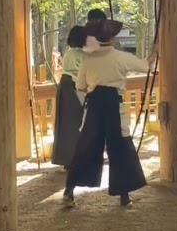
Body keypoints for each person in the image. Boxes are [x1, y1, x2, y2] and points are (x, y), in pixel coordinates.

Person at [63, 18, 152, 207]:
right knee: (120, 146)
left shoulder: (89, 59)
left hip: (94, 103)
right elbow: (146, 66)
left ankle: (69, 191)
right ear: (114, 38)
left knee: (86, 146)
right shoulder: (121, 57)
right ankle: (124, 195)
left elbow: (80, 85)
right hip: (113, 104)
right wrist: (155, 53)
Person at [51, 26, 88, 168]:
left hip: (64, 88)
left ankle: (67, 160)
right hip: (75, 89)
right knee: (79, 125)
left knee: (66, 127)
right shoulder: (82, 55)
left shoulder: (69, 53)